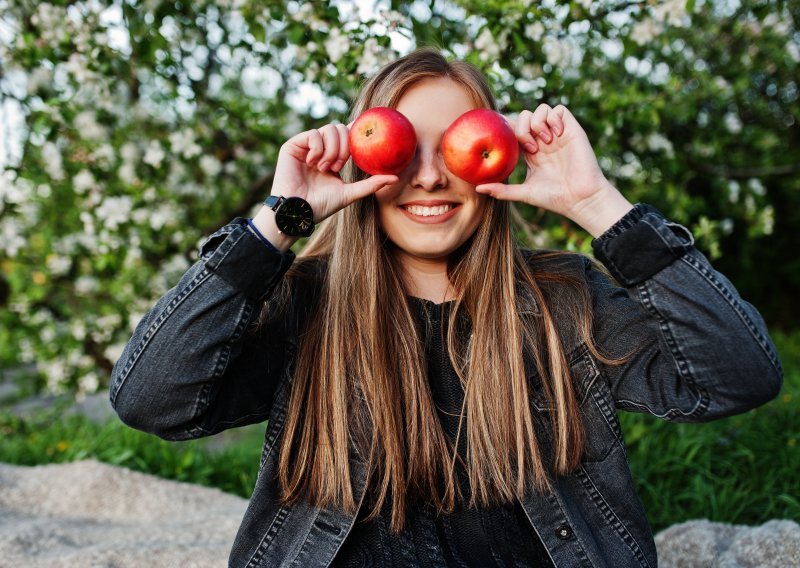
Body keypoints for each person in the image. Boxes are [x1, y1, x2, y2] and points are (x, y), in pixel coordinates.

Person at [109, 48, 783, 567]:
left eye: (453, 147)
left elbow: (737, 376)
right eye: (403, 148)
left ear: (494, 159)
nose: (429, 175)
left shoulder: (563, 303)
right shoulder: (304, 308)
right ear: (358, 162)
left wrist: (597, 204)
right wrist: (276, 225)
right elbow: (152, 399)